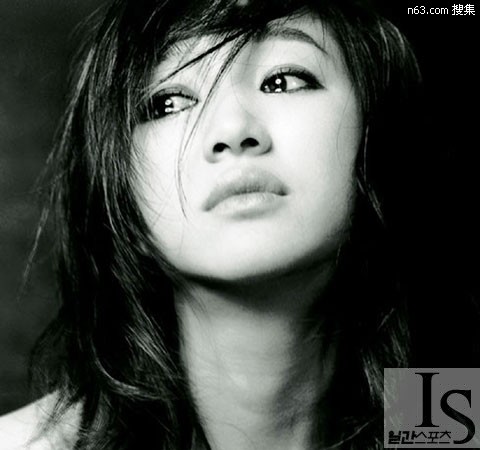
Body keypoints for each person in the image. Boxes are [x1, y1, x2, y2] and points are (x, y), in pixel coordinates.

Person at [2, 0, 476, 449]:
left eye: (283, 81)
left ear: (377, 136)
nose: (231, 131)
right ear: (119, 195)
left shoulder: (439, 417)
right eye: (168, 103)